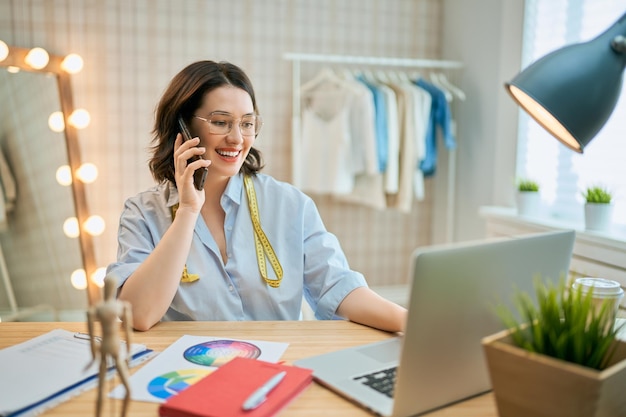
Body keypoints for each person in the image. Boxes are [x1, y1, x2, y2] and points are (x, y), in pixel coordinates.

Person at [107, 60, 407, 332]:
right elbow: (140, 315)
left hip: (276, 371)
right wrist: (187, 210)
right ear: (183, 127)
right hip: (191, 377)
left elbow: (338, 286)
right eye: (221, 122)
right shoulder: (142, 214)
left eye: (247, 124)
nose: (237, 138)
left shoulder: (290, 205)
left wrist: (412, 323)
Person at [86, 275, 133, 417]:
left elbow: (91, 336)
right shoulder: (121, 307)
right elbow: (128, 333)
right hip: (115, 349)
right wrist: (129, 352)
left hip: (106, 348)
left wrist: (93, 356)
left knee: (101, 391)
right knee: (127, 390)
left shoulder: (97, 309)